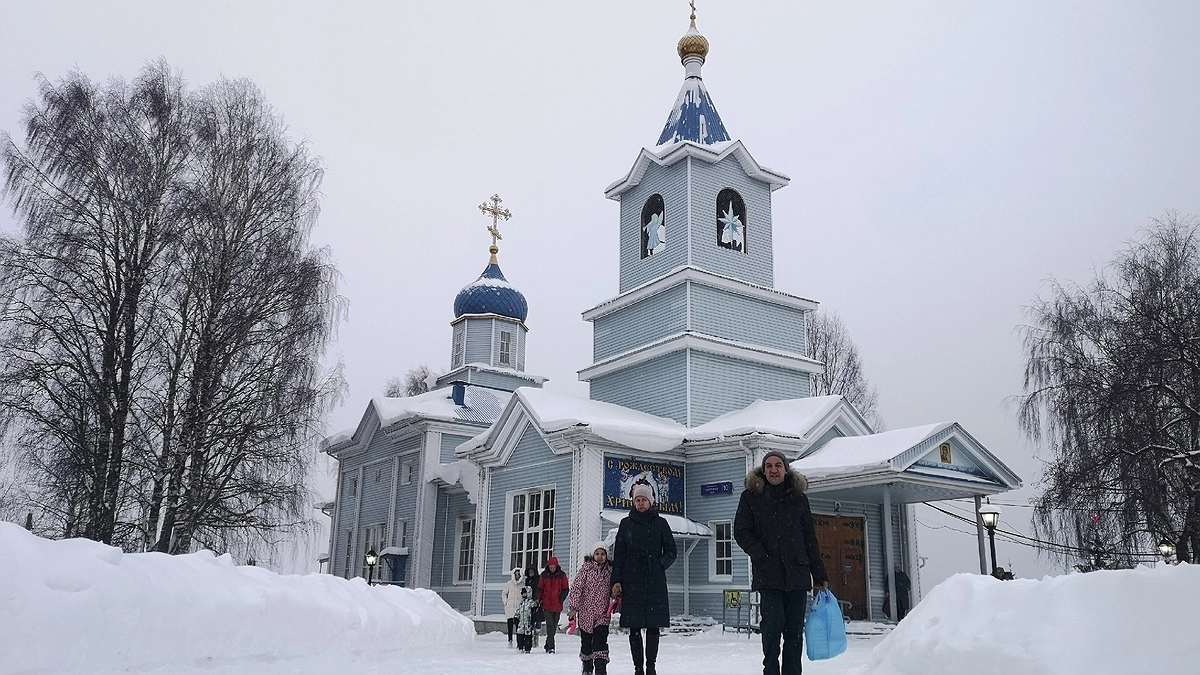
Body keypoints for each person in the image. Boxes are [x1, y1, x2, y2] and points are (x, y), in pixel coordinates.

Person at [734, 451, 828, 675]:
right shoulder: (751, 497)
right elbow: (741, 531)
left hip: (797, 574)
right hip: (769, 575)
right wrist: (761, 555)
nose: (773, 470)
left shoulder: (799, 498)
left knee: (794, 633)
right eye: (769, 466)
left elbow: (809, 538)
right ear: (763, 471)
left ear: (786, 470)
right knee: (772, 627)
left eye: (778, 465)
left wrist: (820, 575)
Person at [611, 480, 677, 675]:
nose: (640, 503)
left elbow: (671, 551)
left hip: (654, 580)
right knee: (634, 628)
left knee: (653, 627)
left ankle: (651, 667)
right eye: (637, 500)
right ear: (633, 501)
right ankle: (638, 668)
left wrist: (659, 564)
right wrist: (616, 580)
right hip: (631, 581)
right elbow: (619, 555)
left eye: (644, 500)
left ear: (650, 502)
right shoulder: (626, 524)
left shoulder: (660, 523)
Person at [568, 542, 616, 675]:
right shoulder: (586, 569)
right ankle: (587, 668)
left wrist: (616, 592)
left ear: (606, 556)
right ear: (593, 555)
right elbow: (576, 588)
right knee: (587, 644)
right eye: (597, 554)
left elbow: (612, 591)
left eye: (602, 554)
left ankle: (601, 670)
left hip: (602, 614)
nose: (600, 557)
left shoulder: (610, 571)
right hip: (586, 614)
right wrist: (573, 608)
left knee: (600, 643)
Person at [538, 556, 570, 654]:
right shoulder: (544, 575)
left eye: (553, 567)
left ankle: (548, 643)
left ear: (556, 566)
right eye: (550, 567)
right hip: (546, 605)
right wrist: (538, 600)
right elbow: (540, 589)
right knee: (550, 625)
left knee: (554, 626)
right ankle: (551, 647)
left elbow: (566, 589)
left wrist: (560, 599)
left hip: (557, 605)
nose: (552, 569)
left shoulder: (562, 575)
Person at [501, 567, 524, 647]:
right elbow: (504, 593)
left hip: (518, 609)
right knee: (510, 625)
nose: (517, 576)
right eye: (516, 574)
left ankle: (519, 642)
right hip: (510, 608)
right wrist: (506, 602)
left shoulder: (522, 585)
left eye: (518, 574)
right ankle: (510, 640)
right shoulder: (509, 584)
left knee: (518, 626)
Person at [523, 563, 542, 648]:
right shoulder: (527, 580)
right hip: (529, 602)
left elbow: (539, 590)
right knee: (530, 622)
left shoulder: (539, 579)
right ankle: (529, 640)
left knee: (538, 621)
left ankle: (536, 638)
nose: (531, 572)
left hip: (537, 602)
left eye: (532, 571)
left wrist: (537, 599)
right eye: (529, 571)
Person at [515, 587, 536, 653]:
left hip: (528, 622)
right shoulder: (521, 603)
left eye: (525, 593)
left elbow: (534, 608)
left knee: (528, 636)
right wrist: (516, 617)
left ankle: (527, 648)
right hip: (521, 622)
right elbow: (518, 610)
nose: (524, 595)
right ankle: (520, 646)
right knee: (520, 634)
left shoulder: (530, 602)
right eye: (523, 593)